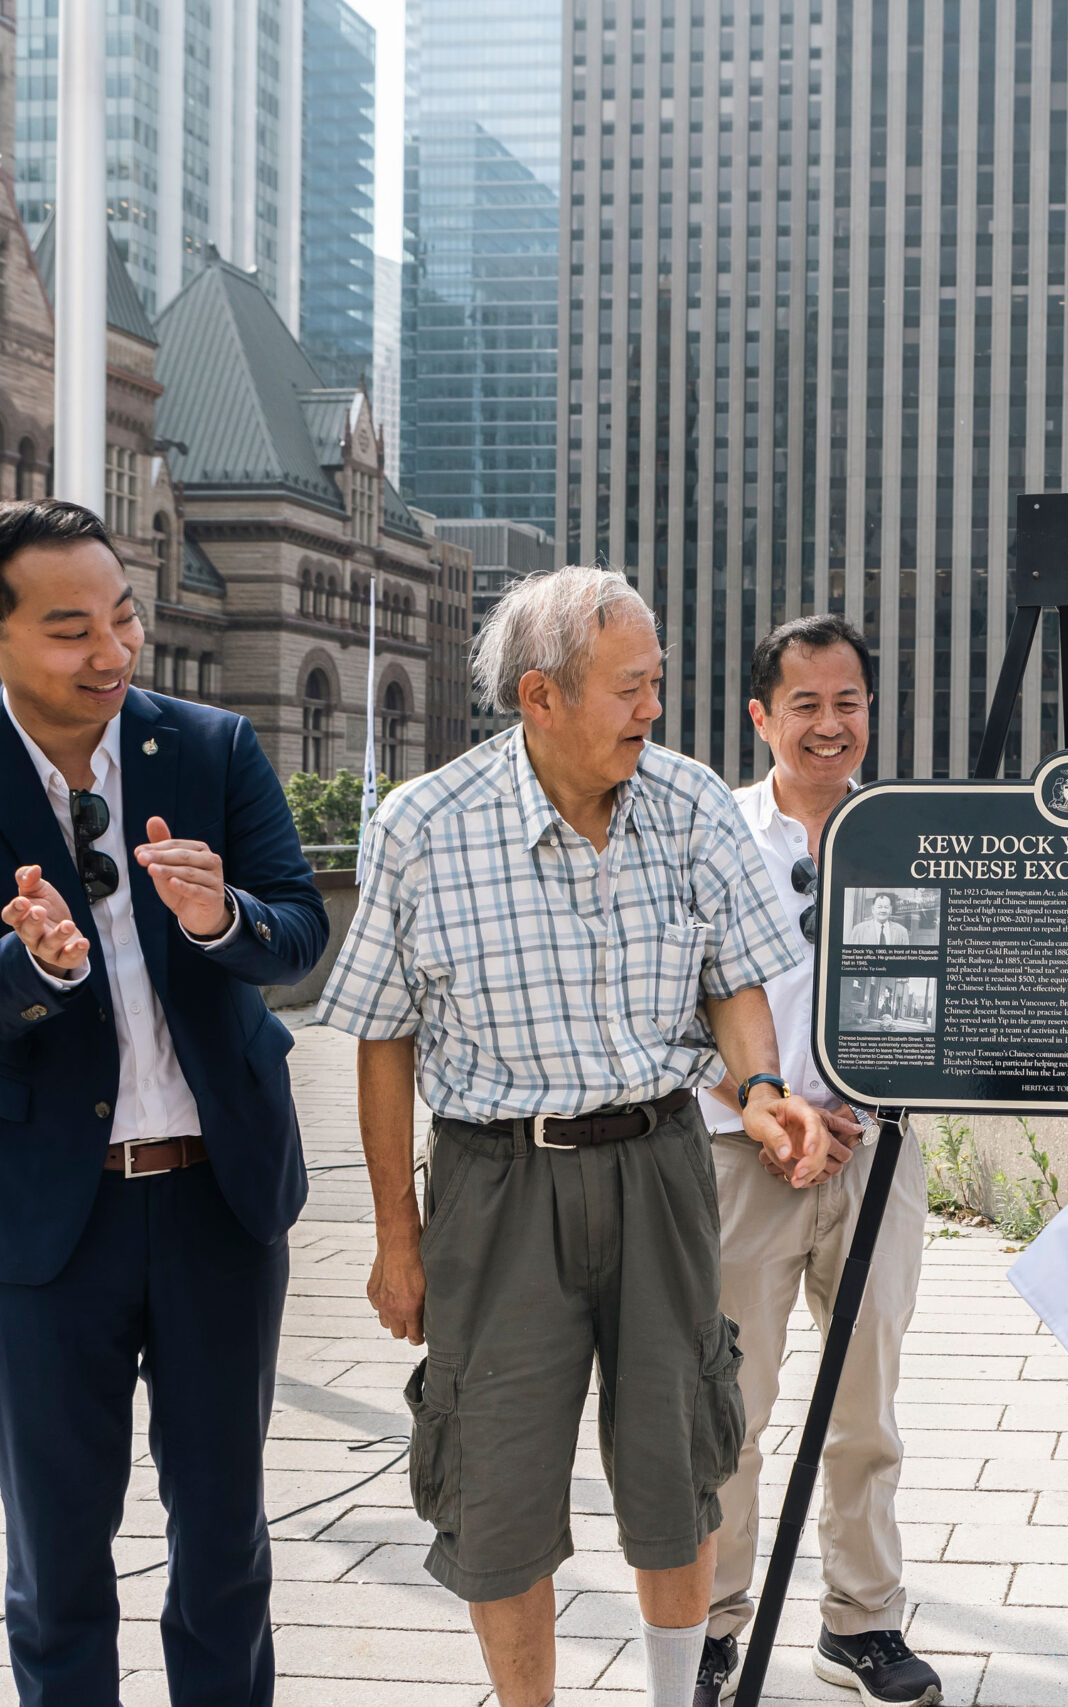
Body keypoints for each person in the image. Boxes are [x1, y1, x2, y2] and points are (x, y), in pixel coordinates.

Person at [314, 566, 830, 1707]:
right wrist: (397, 1238)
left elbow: (733, 979)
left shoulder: (690, 803)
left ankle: (666, 1696)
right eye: (631, 688)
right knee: (494, 1479)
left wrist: (759, 1088)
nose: (653, 708)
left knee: (678, 1459)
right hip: (495, 1187)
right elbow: (381, 1041)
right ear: (540, 696)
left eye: (656, 684)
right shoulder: (422, 828)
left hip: (660, 1168)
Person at [0, 499, 329, 1706]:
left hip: (216, 1205)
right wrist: (38, 966)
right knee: (60, 1555)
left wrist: (220, 918)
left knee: (224, 1544)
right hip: (40, 1228)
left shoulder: (214, 747)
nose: (113, 652)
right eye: (70, 630)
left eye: (121, 616)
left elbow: (297, 932)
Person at [694, 613, 943, 1707]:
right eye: (806, 705)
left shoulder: (910, 835)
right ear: (762, 717)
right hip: (736, 1156)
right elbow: (669, 1004)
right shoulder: (712, 834)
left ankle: (863, 1626)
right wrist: (768, 1106)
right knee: (727, 1411)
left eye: (849, 703)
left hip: (875, 1155)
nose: (830, 725)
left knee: (864, 1414)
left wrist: (858, 1110)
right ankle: (705, 1625)